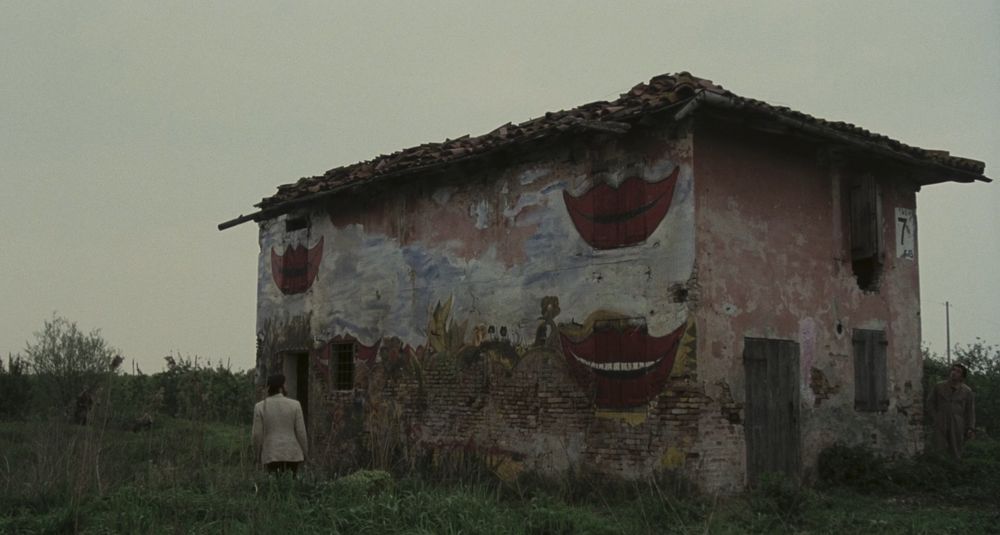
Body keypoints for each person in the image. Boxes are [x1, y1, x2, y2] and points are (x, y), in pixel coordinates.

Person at [252, 374, 308, 474]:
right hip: (292, 454)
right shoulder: (295, 405)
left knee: (274, 482)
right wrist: (305, 452)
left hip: (271, 454)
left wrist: (257, 456)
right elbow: (301, 432)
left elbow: (257, 435)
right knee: (291, 481)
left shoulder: (260, 407)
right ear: (281, 387)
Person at [927, 363, 976, 459]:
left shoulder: (967, 391)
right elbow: (930, 403)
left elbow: (970, 411)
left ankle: (955, 466)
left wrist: (970, 428)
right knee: (938, 448)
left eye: (958, 372)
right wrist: (935, 417)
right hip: (941, 420)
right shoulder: (939, 386)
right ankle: (939, 466)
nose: (954, 373)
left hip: (957, 422)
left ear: (962, 377)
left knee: (956, 449)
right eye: (953, 370)